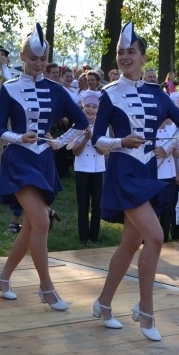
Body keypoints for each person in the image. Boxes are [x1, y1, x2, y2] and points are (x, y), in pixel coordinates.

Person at [91, 22, 179, 341]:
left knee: (132, 242)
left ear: (144, 57)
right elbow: (96, 139)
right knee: (156, 237)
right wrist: (121, 143)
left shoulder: (156, 93)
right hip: (123, 172)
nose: (124, 56)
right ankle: (146, 311)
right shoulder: (108, 94)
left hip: (147, 170)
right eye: (120, 52)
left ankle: (104, 302)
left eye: (131, 52)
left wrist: (165, 145)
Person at [0, 23, 88, 310]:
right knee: (42, 221)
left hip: (44, 160)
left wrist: (61, 143)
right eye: (33, 58)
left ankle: (4, 277)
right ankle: (46, 288)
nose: (38, 63)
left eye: (43, 59)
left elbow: (81, 122)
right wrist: (18, 137)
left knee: (33, 225)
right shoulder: (8, 88)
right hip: (19, 160)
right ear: (22, 57)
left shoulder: (57, 91)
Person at [73, 90, 105, 245]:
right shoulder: (77, 126)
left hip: (98, 170)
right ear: (83, 108)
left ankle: (95, 235)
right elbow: (75, 151)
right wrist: (85, 138)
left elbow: (102, 151)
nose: (91, 109)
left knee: (97, 204)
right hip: (81, 169)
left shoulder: (102, 127)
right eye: (88, 106)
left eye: (94, 107)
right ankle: (83, 235)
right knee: (83, 203)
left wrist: (94, 139)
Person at [155, 117, 179, 242]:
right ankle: (149, 236)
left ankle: (164, 236)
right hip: (154, 173)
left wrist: (174, 151)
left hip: (169, 174)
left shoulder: (172, 130)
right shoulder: (149, 130)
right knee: (153, 206)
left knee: (168, 206)